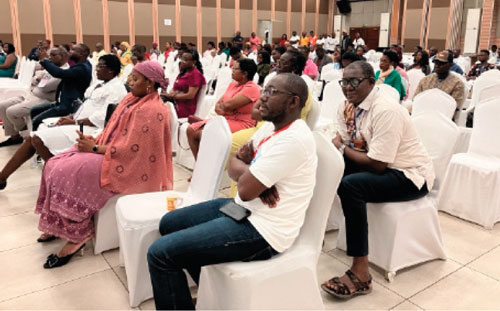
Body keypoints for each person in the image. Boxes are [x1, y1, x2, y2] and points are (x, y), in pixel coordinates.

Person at [147, 73, 316, 310]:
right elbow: (234, 164)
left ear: (293, 102)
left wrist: (251, 177)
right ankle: (204, 297)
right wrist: (254, 175)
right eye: (264, 90)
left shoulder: (294, 139)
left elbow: (246, 189)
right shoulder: (269, 127)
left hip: (264, 230)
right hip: (242, 209)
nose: (262, 98)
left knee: (160, 254)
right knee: (169, 223)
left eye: (272, 92)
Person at [35, 62, 172, 269]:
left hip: (130, 165)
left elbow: (135, 151)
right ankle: (60, 224)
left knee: (67, 172)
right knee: (54, 163)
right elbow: (114, 132)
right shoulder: (132, 98)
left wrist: (95, 149)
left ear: (150, 83)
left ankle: (77, 236)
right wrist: (94, 141)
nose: (130, 83)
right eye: (131, 78)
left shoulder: (152, 110)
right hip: (112, 152)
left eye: (135, 79)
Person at [321, 61, 434, 300]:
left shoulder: (386, 110)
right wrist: (338, 148)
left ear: (371, 83)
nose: (348, 88)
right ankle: (307, 233)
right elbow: (343, 138)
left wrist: (341, 148)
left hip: (408, 174)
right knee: (326, 166)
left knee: (350, 186)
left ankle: (361, 273)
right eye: (344, 82)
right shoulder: (346, 106)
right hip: (377, 162)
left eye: (355, 82)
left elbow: (377, 164)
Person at [0, 55, 126, 190]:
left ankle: (57, 178)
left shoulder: (117, 89)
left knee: (36, 139)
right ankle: (5, 178)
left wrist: (75, 122)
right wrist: (71, 117)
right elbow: (86, 106)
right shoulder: (100, 83)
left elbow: (103, 117)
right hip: (79, 123)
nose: (96, 69)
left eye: (100, 66)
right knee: (35, 135)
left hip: (92, 130)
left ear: (111, 70)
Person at [187, 58, 260, 159]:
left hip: (241, 122)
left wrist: (225, 108)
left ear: (245, 73)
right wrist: (226, 108)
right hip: (226, 118)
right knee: (191, 130)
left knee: (204, 134)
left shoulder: (252, 88)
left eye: (235, 69)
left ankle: (208, 167)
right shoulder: (232, 84)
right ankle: (199, 166)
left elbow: (226, 105)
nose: (232, 70)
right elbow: (218, 105)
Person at [0, 47, 68, 148]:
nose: (50, 58)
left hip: (43, 100)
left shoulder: (63, 71)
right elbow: (34, 80)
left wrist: (39, 80)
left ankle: (23, 132)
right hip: (31, 95)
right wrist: (38, 79)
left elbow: (45, 87)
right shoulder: (51, 67)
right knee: (2, 105)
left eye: (54, 55)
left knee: (11, 111)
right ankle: (15, 136)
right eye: (50, 55)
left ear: (63, 57)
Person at [30, 44, 92, 131]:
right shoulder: (81, 64)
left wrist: (44, 60)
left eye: (73, 50)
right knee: (34, 110)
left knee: (37, 120)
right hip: (62, 101)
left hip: (68, 106)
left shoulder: (82, 68)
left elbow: (59, 73)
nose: (69, 52)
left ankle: (37, 141)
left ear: (82, 54)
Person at [414, 50, 465, 114]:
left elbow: (454, 107)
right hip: (422, 113)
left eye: (441, 63)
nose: (437, 66)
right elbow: (416, 99)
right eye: (436, 63)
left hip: (443, 118)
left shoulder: (457, 84)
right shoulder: (425, 80)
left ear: (450, 65)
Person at [161, 50, 206, 118]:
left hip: (185, 107)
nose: (182, 61)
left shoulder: (195, 74)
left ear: (194, 62)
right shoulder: (183, 72)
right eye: (182, 59)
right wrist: (169, 95)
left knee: (159, 109)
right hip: (176, 102)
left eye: (186, 60)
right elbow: (174, 88)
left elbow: (190, 95)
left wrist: (172, 96)